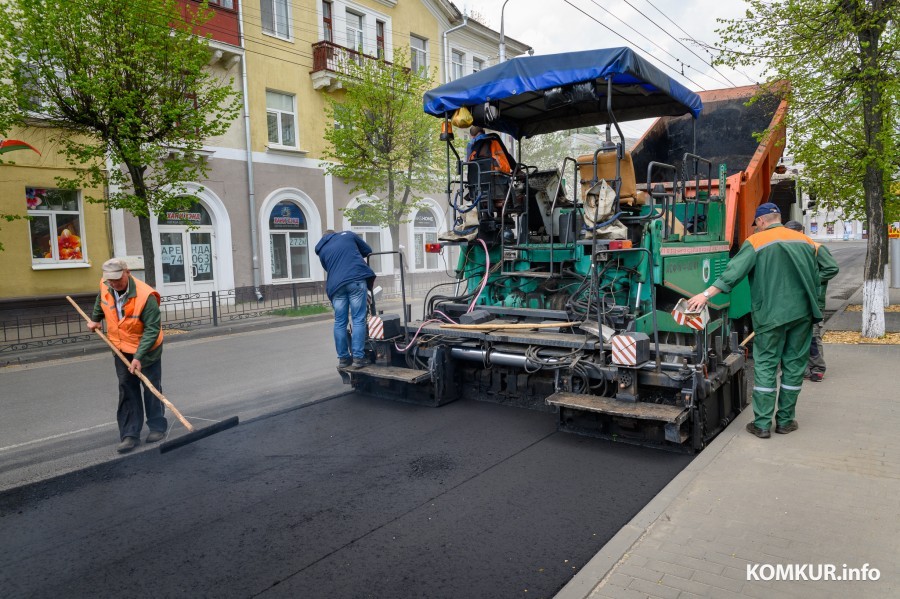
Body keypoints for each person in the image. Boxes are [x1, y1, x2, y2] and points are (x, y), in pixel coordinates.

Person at [687, 203, 821, 439]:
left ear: (760, 221)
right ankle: (785, 422)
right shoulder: (806, 241)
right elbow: (821, 273)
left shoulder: (757, 241)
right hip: (802, 314)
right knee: (793, 367)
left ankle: (761, 424)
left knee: (767, 366)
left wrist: (705, 295)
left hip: (771, 315)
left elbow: (732, 273)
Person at [87, 259, 167, 453]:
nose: (114, 284)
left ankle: (157, 427)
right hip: (120, 347)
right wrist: (96, 319)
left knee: (151, 387)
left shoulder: (145, 296)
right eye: (110, 281)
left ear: (127, 272)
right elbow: (102, 301)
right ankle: (130, 434)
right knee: (127, 389)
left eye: (117, 279)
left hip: (146, 350)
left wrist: (139, 357)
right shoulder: (106, 285)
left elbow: (152, 330)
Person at [784, 220, 839, 381]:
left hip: (814, 300)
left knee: (813, 335)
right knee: (797, 335)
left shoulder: (816, 248)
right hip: (795, 300)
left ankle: (817, 368)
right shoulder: (790, 249)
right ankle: (804, 368)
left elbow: (831, 268)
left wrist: (812, 281)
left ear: (800, 232)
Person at [315, 230, 376, 370]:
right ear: (334, 234)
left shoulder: (322, 249)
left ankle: (343, 358)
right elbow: (368, 250)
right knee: (358, 319)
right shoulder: (348, 235)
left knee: (340, 321)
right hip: (355, 280)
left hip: (335, 286)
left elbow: (328, 267)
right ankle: (358, 358)